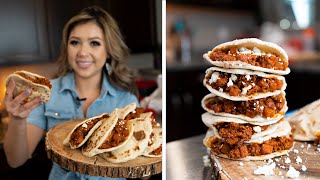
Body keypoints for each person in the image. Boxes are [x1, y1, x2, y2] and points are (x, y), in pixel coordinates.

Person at [3, 6, 139, 180]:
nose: (82, 52)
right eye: (75, 42)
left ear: (109, 50)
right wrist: (17, 119)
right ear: (66, 47)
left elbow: (141, 170)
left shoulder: (126, 100)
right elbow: (16, 160)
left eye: (94, 43)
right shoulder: (46, 94)